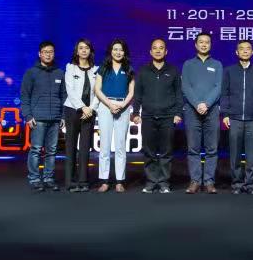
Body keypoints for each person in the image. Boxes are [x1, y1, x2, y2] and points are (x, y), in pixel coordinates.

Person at [131, 38, 183, 194]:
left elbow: (178, 94)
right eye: (155, 48)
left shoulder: (173, 71)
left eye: (161, 48)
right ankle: (151, 181)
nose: (158, 50)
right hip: (148, 116)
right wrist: (135, 113)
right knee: (149, 152)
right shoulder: (143, 71)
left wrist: (178, 113)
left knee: (167, 152)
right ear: (150, 51)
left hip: (168, 117)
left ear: (166, 51)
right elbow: (138, 95)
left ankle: (164, 182)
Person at [20, 40, 66, 192]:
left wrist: (63, 116)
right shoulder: (31, 73)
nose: (48, 54)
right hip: (38, 118)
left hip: (55, 119)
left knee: (51, 151)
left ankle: (48, 178)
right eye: (45, 52)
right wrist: (28, 116)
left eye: (51, 52)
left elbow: (64, 96)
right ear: (39, 54)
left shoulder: (60, 73)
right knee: (36, 150)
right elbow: (25, 96)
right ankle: (34, 178)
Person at [181, 32, 223, 194]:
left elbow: (218, 87)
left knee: (212, 148)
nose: (204, 44)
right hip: (192, 111)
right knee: (193, 148)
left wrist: (206, 104)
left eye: (207, 42)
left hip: (211, 111)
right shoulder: (188, 64)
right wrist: (197, 104)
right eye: (201, 42)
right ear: (196, 44)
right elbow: (186, 86)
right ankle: (195, 181)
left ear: (210, 45)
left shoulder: (217, 64)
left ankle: (209, 181)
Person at [221, 40, 253, 195]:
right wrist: (225, 114)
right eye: (242, 49)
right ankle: (237, 184)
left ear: (252, 52)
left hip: (252, 119)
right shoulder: (229, 71)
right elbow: (224, 93)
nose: (245, 51)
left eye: (248, 49)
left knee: (251, 154)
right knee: (235, 154)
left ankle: (250, 184)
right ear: (236, 52)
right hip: (234, 118)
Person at [93, 39, 135, 193]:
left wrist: (122, 105)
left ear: (125, 52)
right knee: (104, 145)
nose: (118, 52)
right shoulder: (103, 67)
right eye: (115, 49)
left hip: (123, 107)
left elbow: (131, 91)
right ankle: (104, 181)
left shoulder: (129, 69)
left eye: (121, 50)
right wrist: (110, 104)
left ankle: (119, 181)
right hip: (106, 106)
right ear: (110, 51)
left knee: (120, 146)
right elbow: (97, 89)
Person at [63, 39, 99, 193]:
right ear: (77, 51)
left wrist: (90, 108)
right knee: (70, 147)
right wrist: (82, 107)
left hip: (89, 112)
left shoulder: (96, 70)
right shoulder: (70, 68)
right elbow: (70, 90)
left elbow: (98, 92)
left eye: (87, 48)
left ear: (90, 51)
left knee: (85, 148)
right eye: (81, 48)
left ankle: (83, 181)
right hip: (72, 110)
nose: (84, 50)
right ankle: (70, 181)